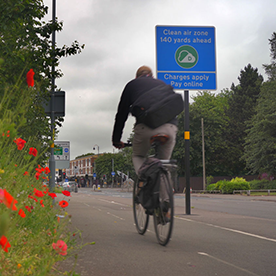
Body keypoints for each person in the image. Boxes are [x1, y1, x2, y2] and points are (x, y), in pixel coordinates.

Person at [112, 65, 178, 175]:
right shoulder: (162, 84)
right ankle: (165, 187)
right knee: (163, 165)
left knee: (138, 156)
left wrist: (116, 140)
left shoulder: (132, 85)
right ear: (152, 76)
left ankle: (144, 182)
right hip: (170, 127)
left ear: (136, 77)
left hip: (146, 126)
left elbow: (121, 115)